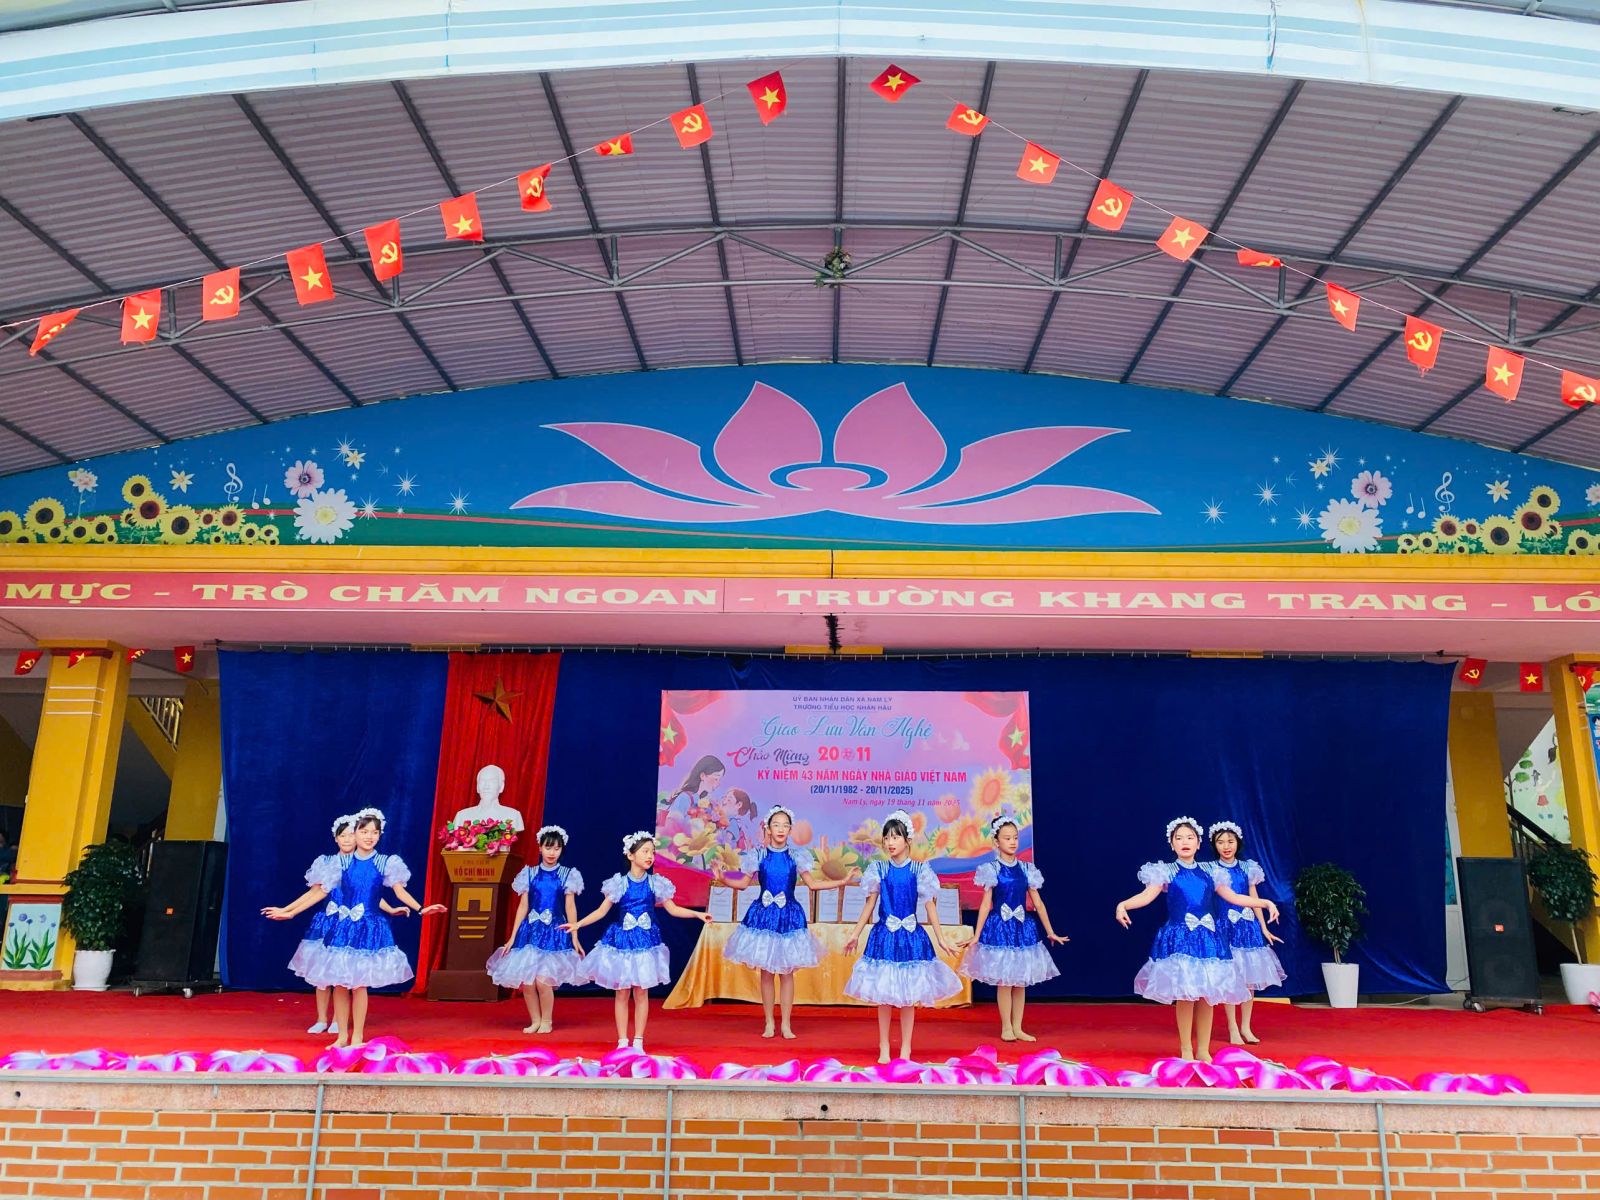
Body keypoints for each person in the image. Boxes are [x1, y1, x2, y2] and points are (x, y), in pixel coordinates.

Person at [262, 807, 444, 1048]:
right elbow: (319, 892)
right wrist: (290, 911)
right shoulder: (340, 863)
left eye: (374, 832)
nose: (369, 836)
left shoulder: (386, 862)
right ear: (355, 832)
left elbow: (399, 891)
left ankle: (357, 1036)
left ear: (380, 835)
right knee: (339, 983)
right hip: (343, 927)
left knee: (359, 985)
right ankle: (341, 1037)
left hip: (368, 928)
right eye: (364, 831)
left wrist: (421, 908)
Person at [1115, 816, 1279, 1063]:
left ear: (1198, 843)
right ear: (1172, 844)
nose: (1185, 842)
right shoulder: (1166, 871)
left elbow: (1235, 897)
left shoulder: (1212, 872)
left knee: (1206, 996)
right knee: (1186, 995)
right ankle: (1186, 1049)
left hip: (1208, 940)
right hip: (1181, 939)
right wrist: (1123, 905)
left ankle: (1203, 1049)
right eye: (1179, 838)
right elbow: (1146, 896)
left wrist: (1264, 902)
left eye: (1190, 837)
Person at [714, 804, 860, 1039]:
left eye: (785, 825)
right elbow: (742, 884)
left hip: (789, 916)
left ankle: (786, 1024)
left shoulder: (796, 856)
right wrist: (722, 877)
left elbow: (813, 884)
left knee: (787, 972)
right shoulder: (758, 855)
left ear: (790, 830)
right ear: (768, 829)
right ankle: (769, 1022)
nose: (781, 829)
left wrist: (842, 882)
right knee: (766, 973)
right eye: (776, 825)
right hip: (763, 916)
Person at [563, 831, 712, 1052]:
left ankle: (639, 1041)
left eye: (652, 852)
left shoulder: (656, 883)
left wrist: (697, 914)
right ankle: (623, 1041)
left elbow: (673, 909)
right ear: (631, 855)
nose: (650, 856)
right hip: (622, 942)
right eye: (645, 851)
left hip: (645, 943)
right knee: (622, 991)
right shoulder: (619, 883)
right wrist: (578, 924)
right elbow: (601, 911)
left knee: (641, 992)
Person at [843, 810, 963, 1064]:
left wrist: (941, 938)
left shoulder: (920, 870)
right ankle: (884, 1046)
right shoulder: (879, 869)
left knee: (909, 996)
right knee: (884, 996)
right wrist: (854, 934)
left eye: (895, 837)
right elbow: (869, 905)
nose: (890, 842)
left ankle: (906, 1048)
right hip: (884, 937)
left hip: (910, 938)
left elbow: (930, 907)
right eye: (887, 837)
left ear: (907, 840)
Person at [959, 814, 1068, 1042]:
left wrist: (1050, 931)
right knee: (1005, 980)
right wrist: (976, 935)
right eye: (1007, 838)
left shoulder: (1027, 869)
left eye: (1015, 838)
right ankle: (1006, 1027)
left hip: (1021, 928)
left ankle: (1018, 1027)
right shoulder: (991, 869)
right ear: (996, 841)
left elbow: (1038, 903)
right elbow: (986, 904)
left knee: (1019, 981)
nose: (1012, 842)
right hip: (1000, 928)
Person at [486, 824, 585, 1033]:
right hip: (530, 932)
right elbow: (523, 906)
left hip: (553, 933)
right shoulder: (529, 874)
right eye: (548, 847)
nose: (552, 852)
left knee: (543, 981)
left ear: (562, 850)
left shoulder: (567, 875)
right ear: (540, 847)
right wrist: (513, 937)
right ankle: (535, 1020)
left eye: (557, 848)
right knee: (528, 982)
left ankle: (547, 1021)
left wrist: (575, 936)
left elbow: (570, 907)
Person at [268, 813, 359, 1036]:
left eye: (351, 835)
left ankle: (338, 1020)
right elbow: (314, 893)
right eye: (343, 835)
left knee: (342, 975)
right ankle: (321, 1019)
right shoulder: (325, 863)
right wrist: (287, 910)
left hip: (350, 923)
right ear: (336, 839)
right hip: (327, 922)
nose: (347, 839)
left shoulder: (362, 864)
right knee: (321, 975)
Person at [1207, 820, 1287, 1045]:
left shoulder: (1247, 868)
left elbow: (1253, 899)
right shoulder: (1211, 869)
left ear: (1238, 843)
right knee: (1231, 977)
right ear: (1214, 845)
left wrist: (1263, 927)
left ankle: (1246, 1027)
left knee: (1249, 979)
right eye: (1221, 842)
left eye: (1230, 841)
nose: (1226, 846)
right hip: (1226, 926)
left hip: (1248, 927)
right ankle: (1232, 1027)